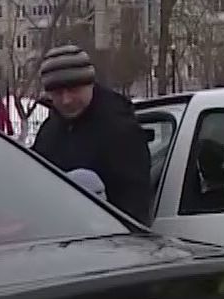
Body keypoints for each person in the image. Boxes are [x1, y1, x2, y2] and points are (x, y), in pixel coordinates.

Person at [29, 44, 154, 224]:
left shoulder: (119, 129)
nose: (66, 100)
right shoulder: (51, 129)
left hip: (105, 243)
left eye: (73, 90)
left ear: (90, 84)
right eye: (57, 92)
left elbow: (134, 207)